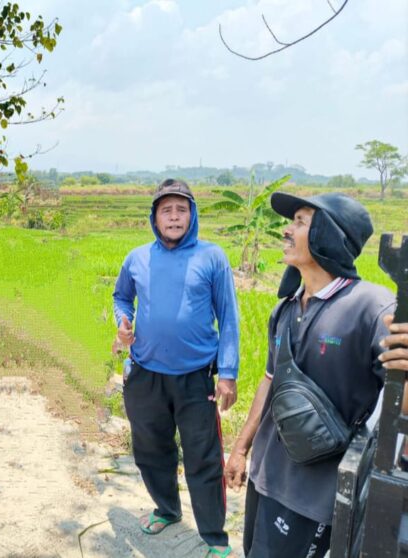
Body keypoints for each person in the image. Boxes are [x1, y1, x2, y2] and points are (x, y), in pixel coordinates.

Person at [224, 192, 397, 558]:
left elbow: (399, 402)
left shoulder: (372, 307)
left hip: (314, 493)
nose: (287, 231)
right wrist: (241, 450)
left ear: (329, 236)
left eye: (300, 222)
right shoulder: (286, 308)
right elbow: (270, 380)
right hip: (266, 476)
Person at [113, 178, 239, 557]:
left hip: (196, 378)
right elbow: (122, 296)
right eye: (165, 210)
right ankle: (166, 509)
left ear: (192, 215)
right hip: (146, 373)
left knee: (203, 457)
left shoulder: (211, 257)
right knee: (151, 450)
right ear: (154, 217)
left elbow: (229, 316)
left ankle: (215, 537)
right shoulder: (137, 258)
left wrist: (228, 373)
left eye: (180, 210)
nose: (173, 216)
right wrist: (122, 319)